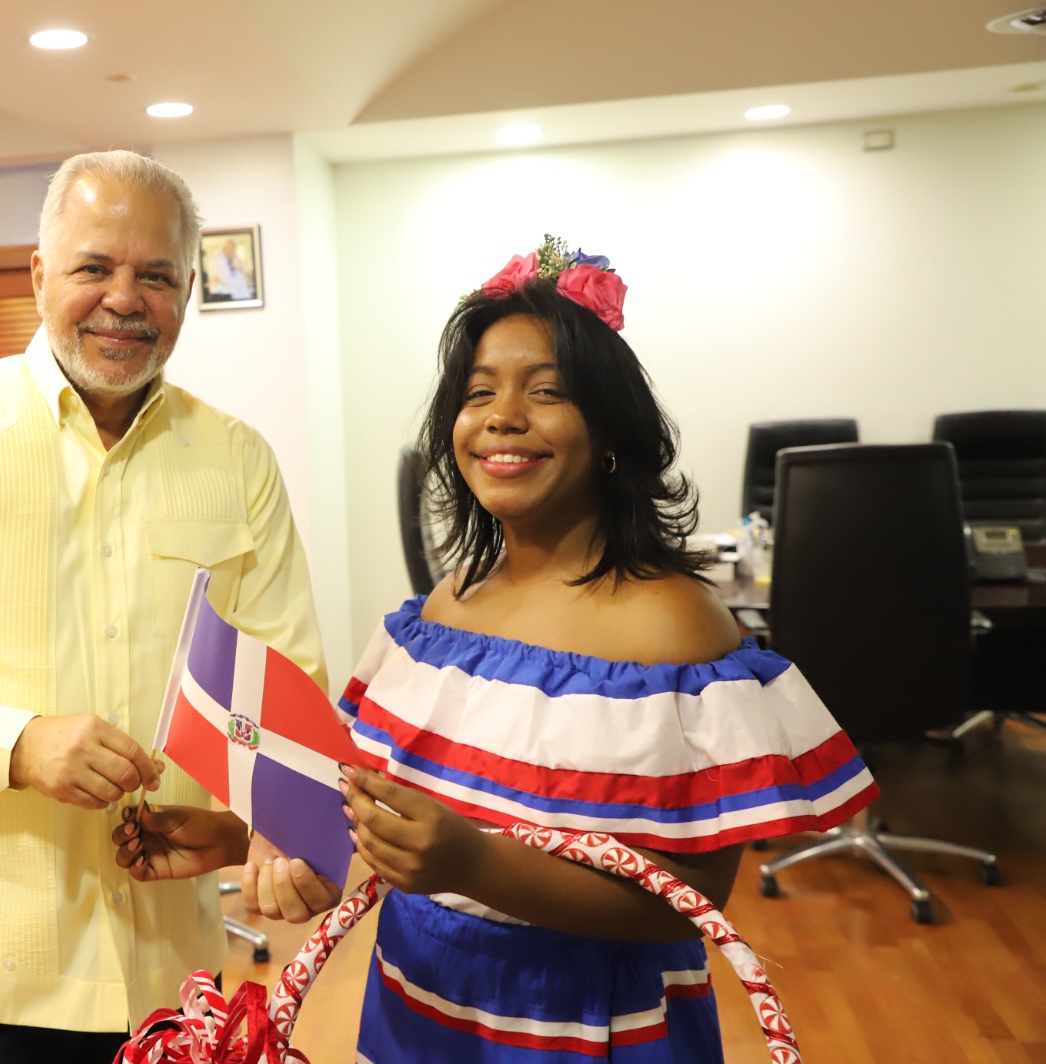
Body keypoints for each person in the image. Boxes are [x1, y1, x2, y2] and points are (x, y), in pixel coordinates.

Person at [114, 236, 878, 1061]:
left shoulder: (673, 627)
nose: (502, 416)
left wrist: (474, 865)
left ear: (611, 432)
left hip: (583, 1029)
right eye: (479, 394)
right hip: (417, 1009)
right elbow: (379, 813)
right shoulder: (442, 611)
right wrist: (240, 838)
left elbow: (687, 901)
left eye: (547, 391)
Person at [0, 149, 327, 1064]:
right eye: (93, 268)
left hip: (174, 972)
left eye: (155, 275)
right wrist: (16, 742)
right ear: (40, 276)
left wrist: (254, 828)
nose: (125, 299)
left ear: (188, 290)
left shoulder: (237, 459)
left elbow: (284, 686)